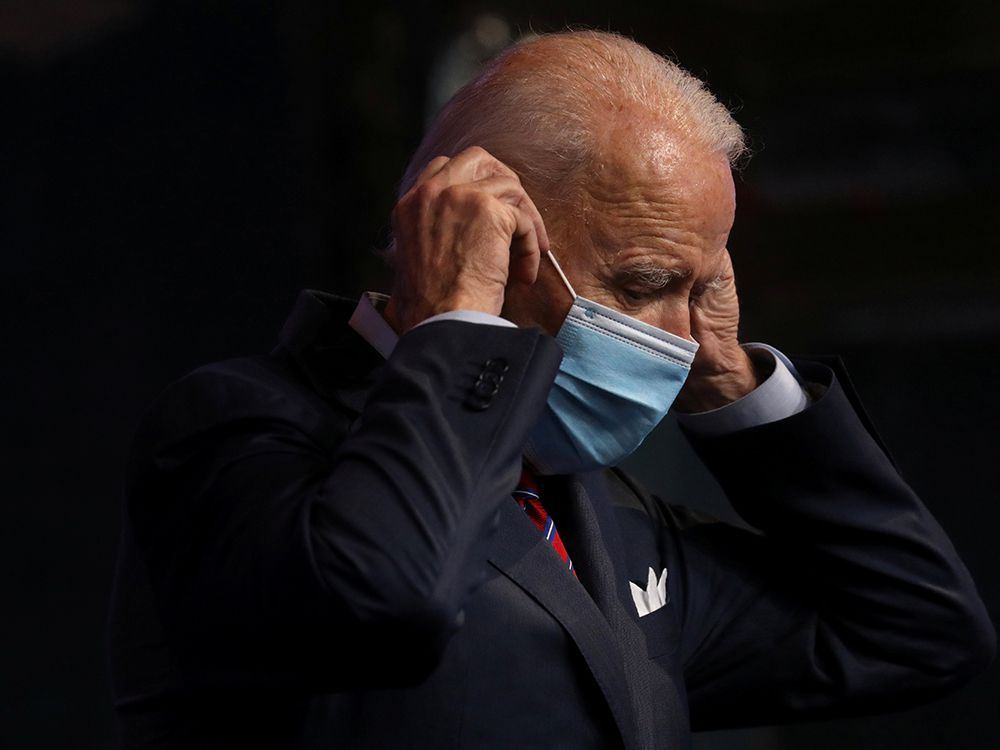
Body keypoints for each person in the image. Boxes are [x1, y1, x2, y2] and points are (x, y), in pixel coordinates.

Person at [109, 30, 995, 749]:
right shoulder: (239, 428)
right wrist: (455, 316)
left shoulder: (599, 511)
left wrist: (728, 378)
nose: (679, 338)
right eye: (645, 281)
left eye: (697, 287)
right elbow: (384, 598)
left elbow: (915, 631)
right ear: (483, 225)